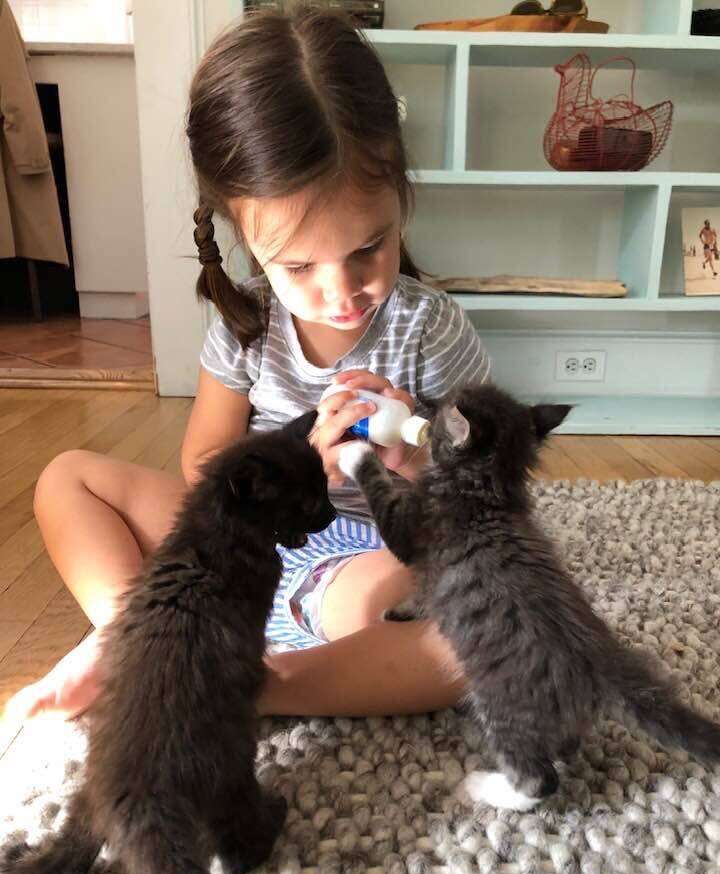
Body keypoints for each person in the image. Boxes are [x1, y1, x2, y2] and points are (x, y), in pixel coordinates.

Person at [6, 5, 490, 724]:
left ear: (401, 200)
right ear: (242, 233)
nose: (342, 290)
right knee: (69, 478)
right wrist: (296, 462)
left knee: (474, 636)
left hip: (361, 562)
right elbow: (204, 458)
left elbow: (484, 485)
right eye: (298, 265)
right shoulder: (247, 322)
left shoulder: (429, 327)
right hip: (245, 535)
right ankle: (139, 636)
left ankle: (268, 683)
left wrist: (412, 456)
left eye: (369, 248)